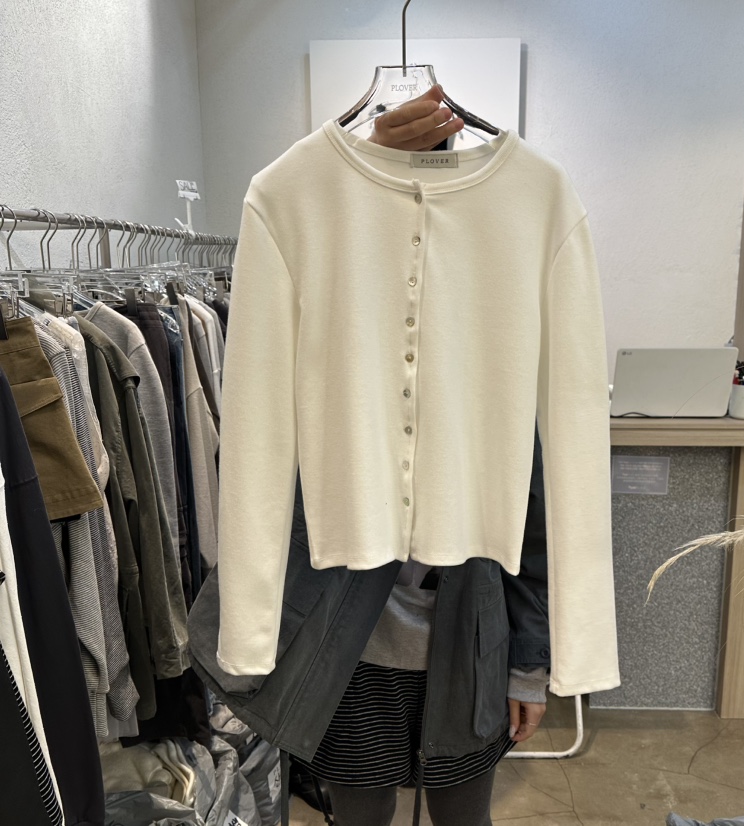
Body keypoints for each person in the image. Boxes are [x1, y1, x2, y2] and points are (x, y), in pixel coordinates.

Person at [188, 86, 551, 826]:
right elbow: (260, 475)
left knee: (464, 818)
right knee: (358, 817)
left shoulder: (490, 349)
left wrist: (529, 665)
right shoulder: (320, 317)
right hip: (345, 646)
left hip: (469, 642)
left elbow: (533, 518)